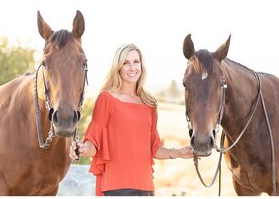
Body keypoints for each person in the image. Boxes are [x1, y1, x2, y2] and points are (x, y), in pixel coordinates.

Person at [69, 43, 194, 196]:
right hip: (116, 187)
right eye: (126, 63)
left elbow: (154, 148)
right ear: (118, 68)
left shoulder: (149, 103)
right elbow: (94, 142)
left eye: (136, 62)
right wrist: (83, 148)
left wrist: (180, 152)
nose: (132, 67)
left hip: (145, 186)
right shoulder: (106, 99)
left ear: (141, 65)